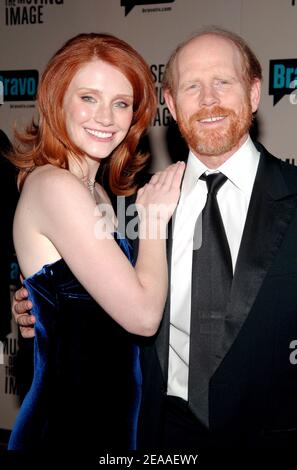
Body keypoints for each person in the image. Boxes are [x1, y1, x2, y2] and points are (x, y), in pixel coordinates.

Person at [13, 26, 297, 452]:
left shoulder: (112, 195)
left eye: (223, 81)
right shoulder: (144, 203)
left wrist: (40, 299)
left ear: (255, 93)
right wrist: (38, 299)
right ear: (170, 104)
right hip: (148, 435)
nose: (208, 99)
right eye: (192, 86)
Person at [7, 32, 184, 454]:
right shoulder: (55, 186)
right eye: (88, 97)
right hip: (68, 426)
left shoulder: (97, 192)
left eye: (121, 103)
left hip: (109, 418)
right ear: (57, 100)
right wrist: (155, 218)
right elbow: (142, 317)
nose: (106, 117)